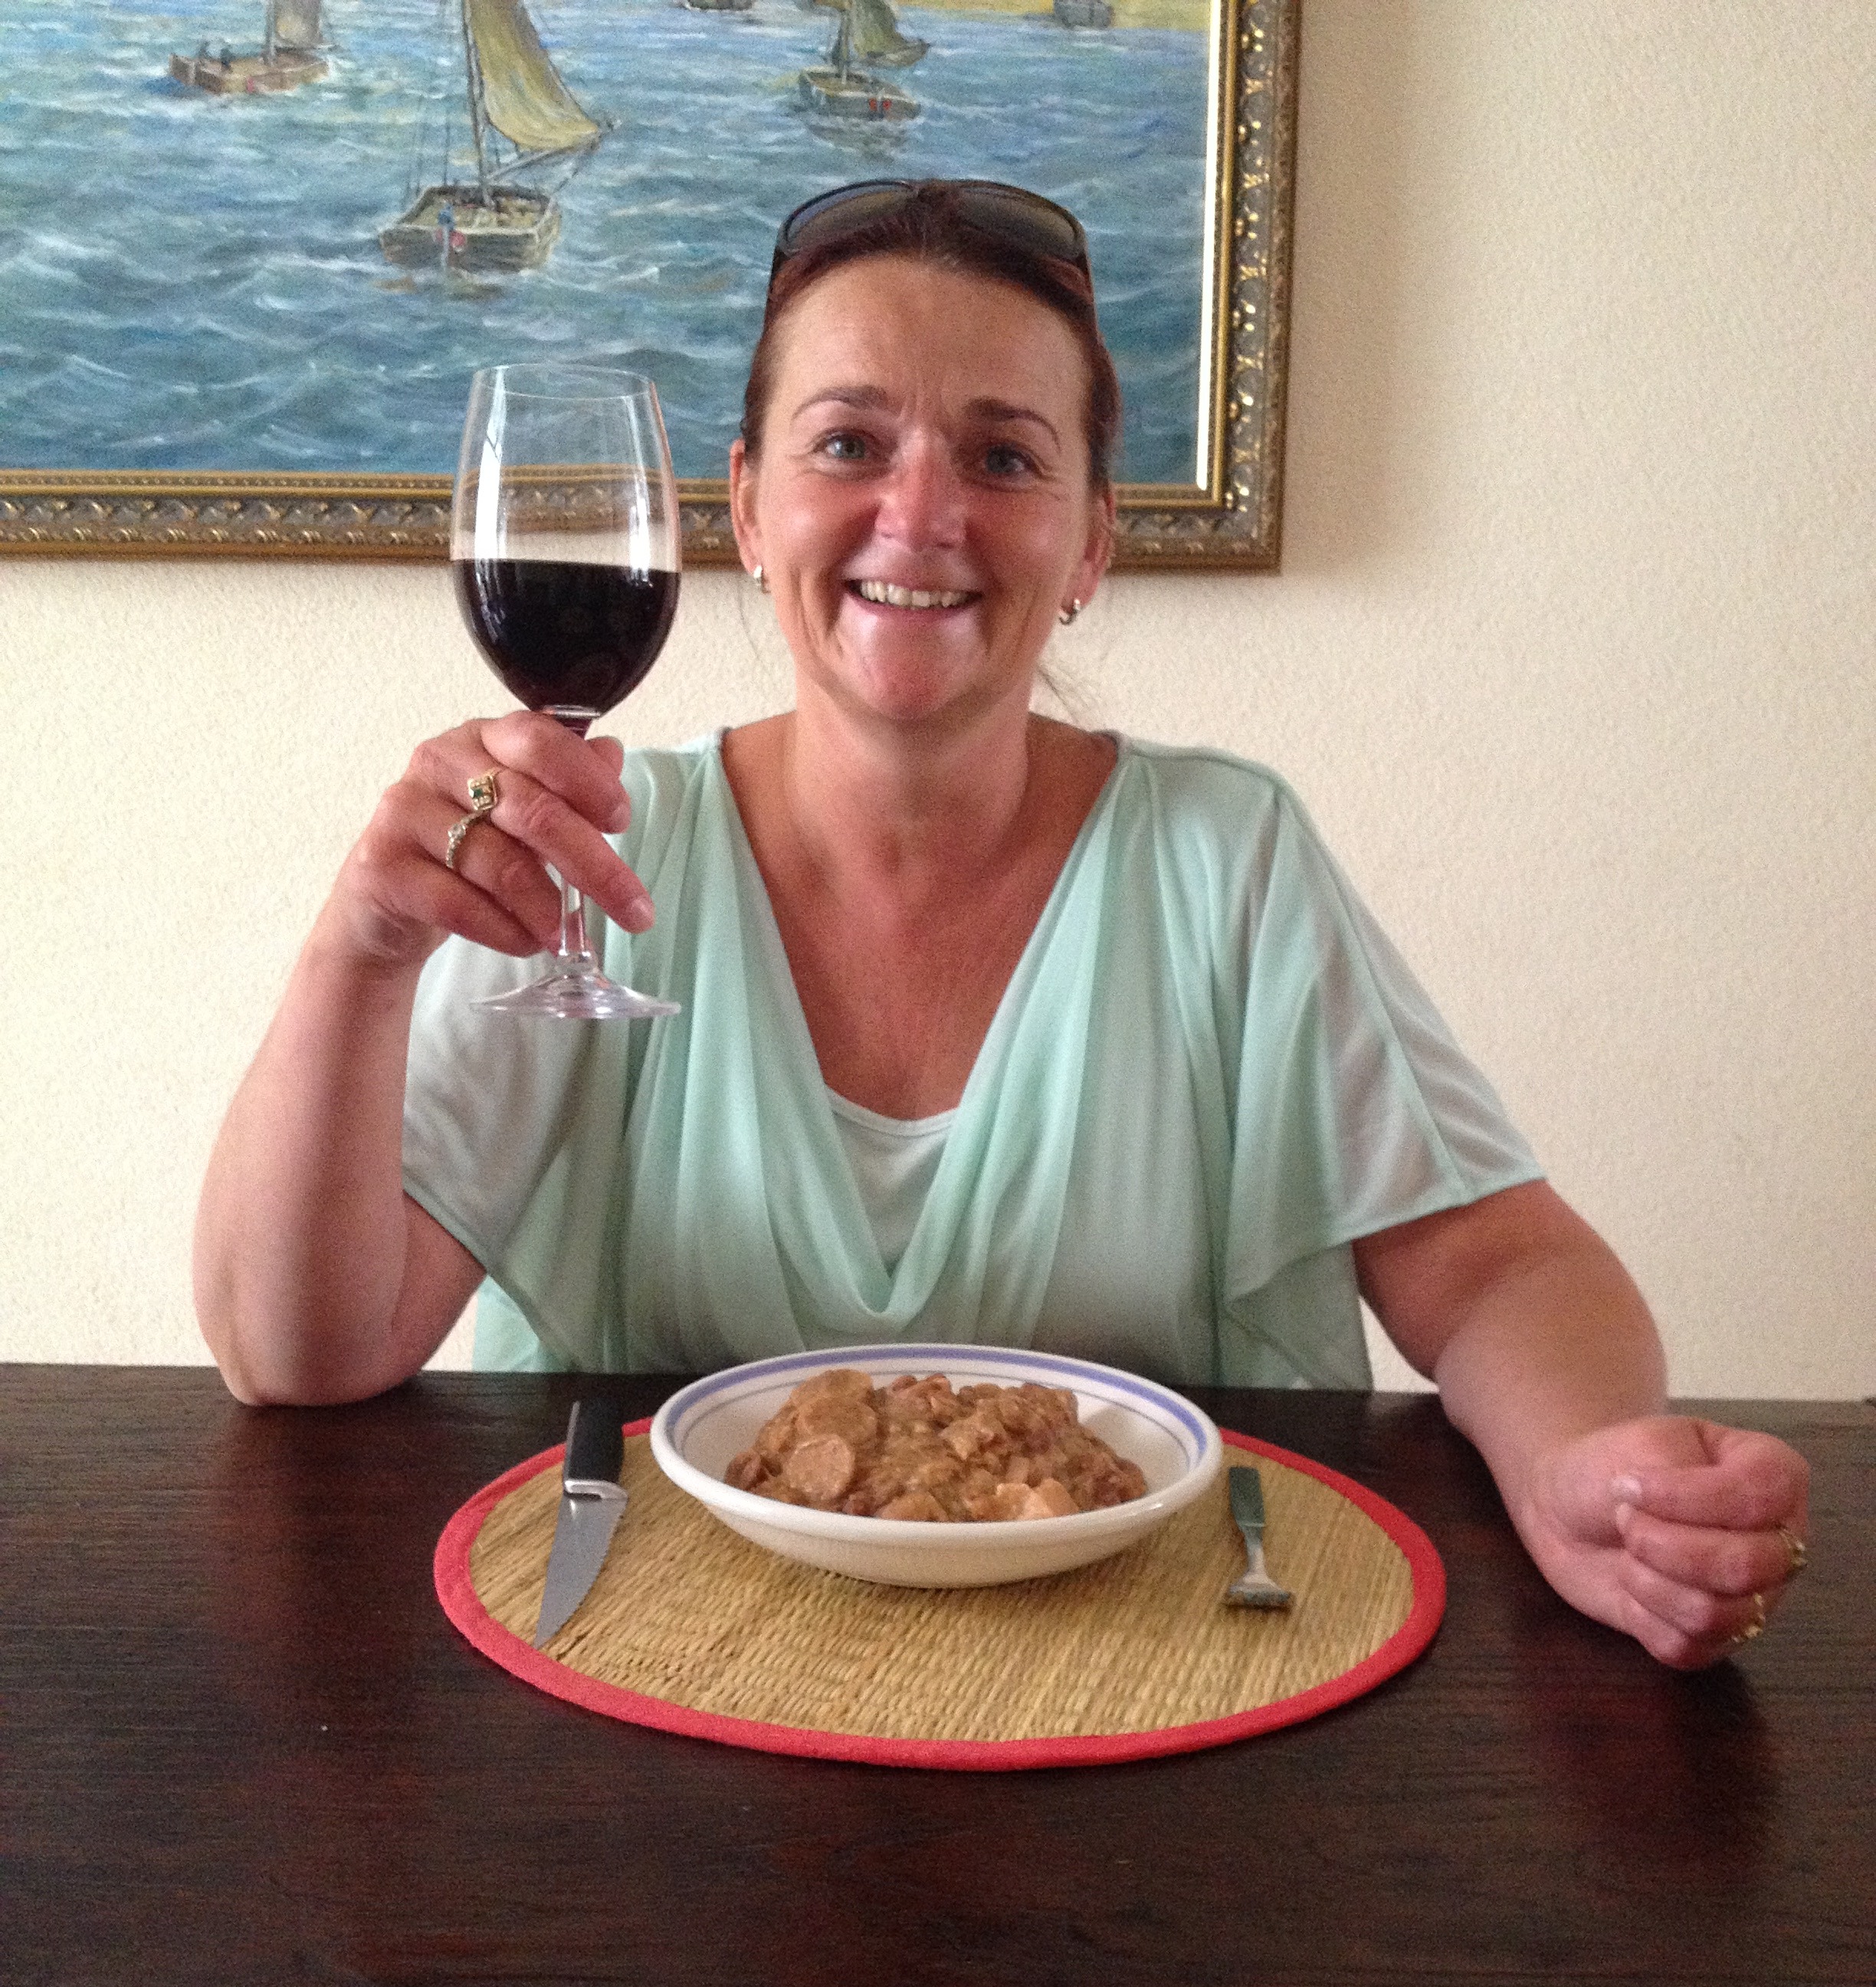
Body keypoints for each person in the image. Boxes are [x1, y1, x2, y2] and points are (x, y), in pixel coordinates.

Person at [194, 177, 1808, 1671]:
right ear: (744, 510)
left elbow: (1502, 1269)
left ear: (1092, 538)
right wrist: (364, 947)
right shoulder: (593, 855)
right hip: (668, 1697)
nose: (922, 514)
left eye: (1006, 457)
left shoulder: (1226, 859)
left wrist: (1592, 1469)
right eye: (848, 443)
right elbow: (296, 1354)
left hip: (1161, 1688)